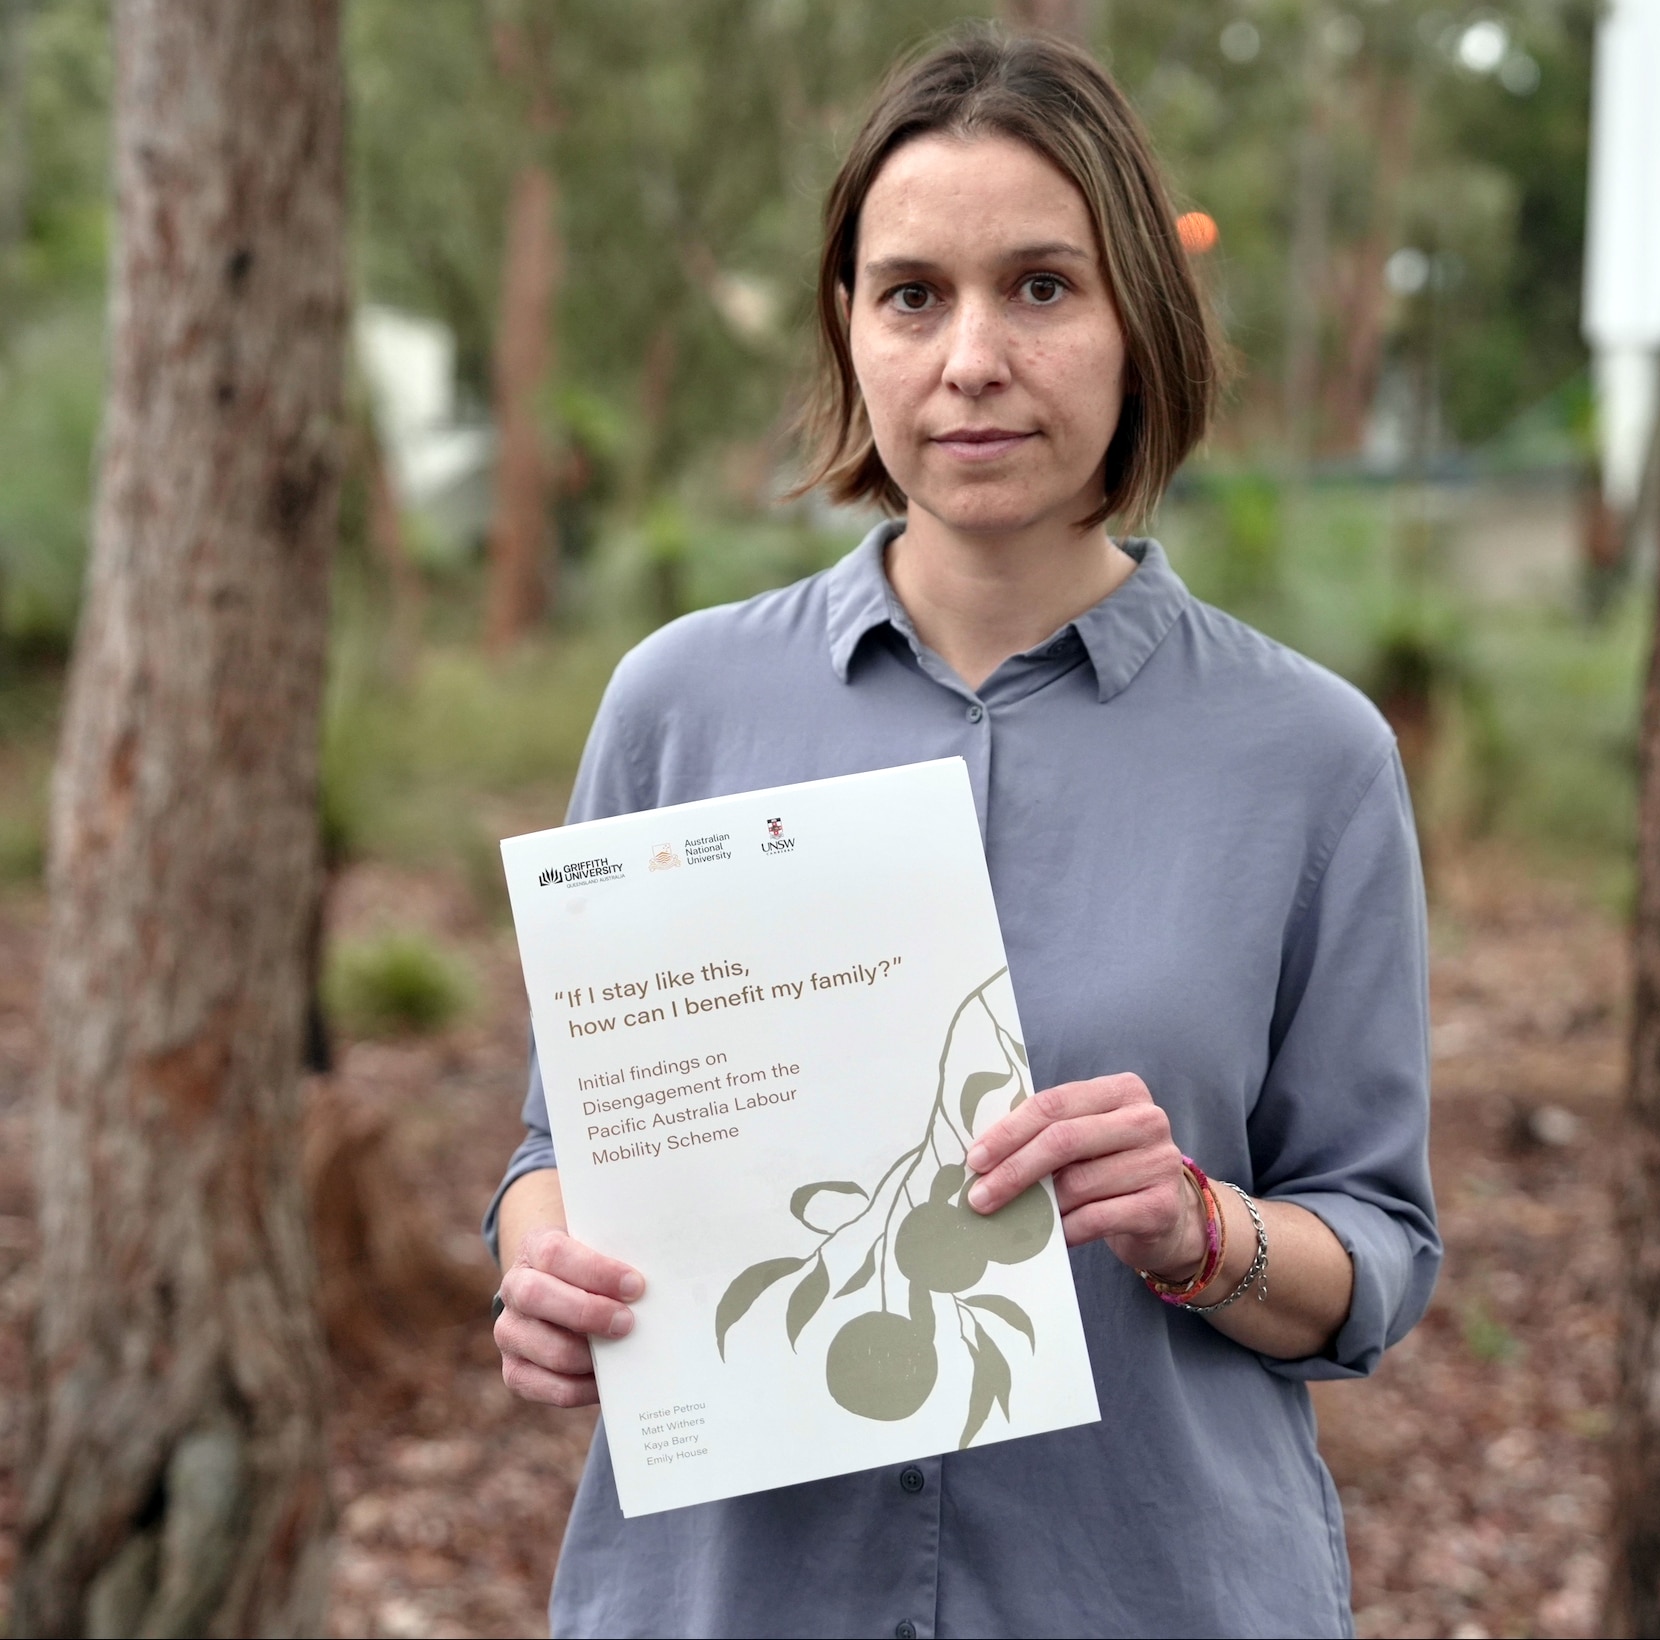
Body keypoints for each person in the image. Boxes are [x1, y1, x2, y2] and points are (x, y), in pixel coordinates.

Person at [485, 27, 1437, 1639]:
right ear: (849, 331)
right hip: (731, 1598)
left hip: (1152, 1593)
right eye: (912, 294)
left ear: (1140, 318)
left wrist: (1203, 1232)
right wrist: (549, 1279)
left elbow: (1375, 1245)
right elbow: (553, 1155)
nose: (971, 357)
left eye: (1042, 288)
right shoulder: (678, 705)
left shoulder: (1311, 757)